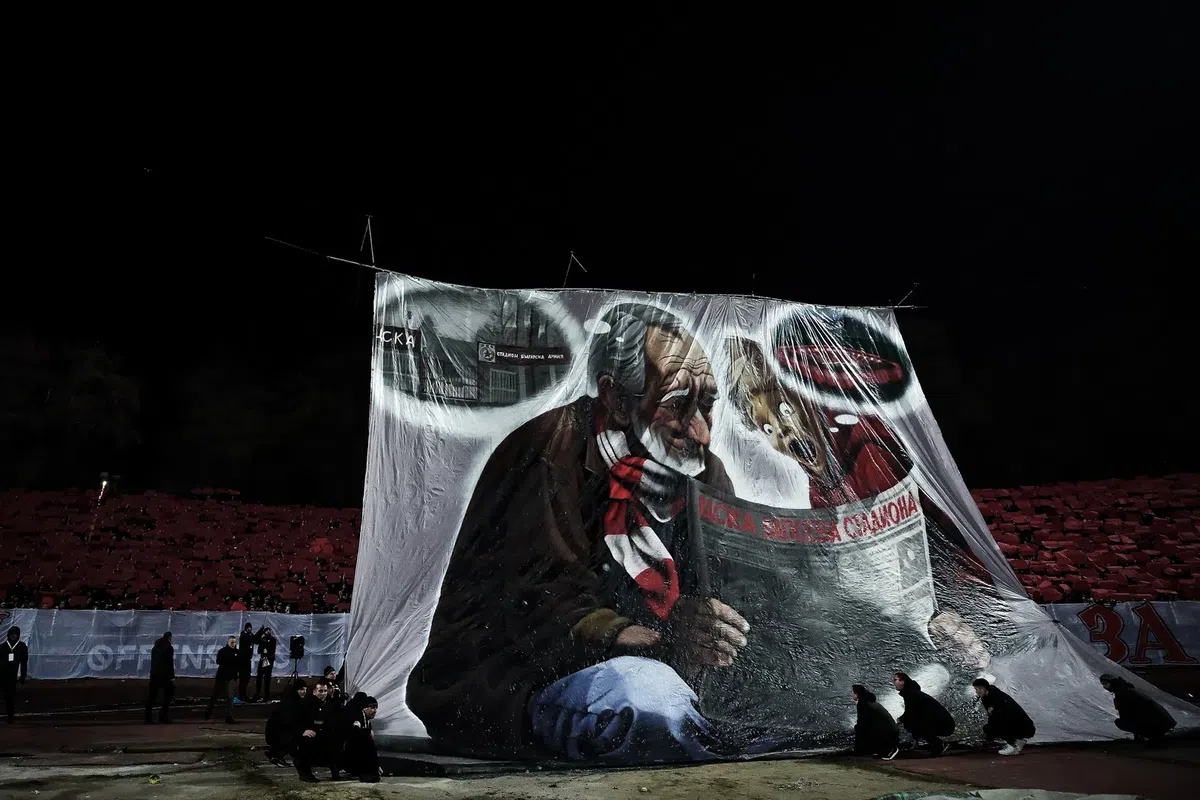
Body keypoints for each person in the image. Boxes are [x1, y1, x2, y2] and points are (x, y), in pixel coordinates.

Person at [408, 303, 750, 762]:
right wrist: (668, 635)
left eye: (706, 404)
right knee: (648, 698)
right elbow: (540, 608)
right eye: (675, 404)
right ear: (616, 399)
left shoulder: (703, 473)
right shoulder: (552, 449)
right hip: (511, 682)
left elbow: (731, 589)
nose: (702, 433)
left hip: (655, 659)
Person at [1100, 674, 1176, 744]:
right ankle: (1149, 734)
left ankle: (1151, 735)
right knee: (1128, 720)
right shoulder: (1125, 689)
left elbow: (1127, 713)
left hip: (1158, 721)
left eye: (1106, 684)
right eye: (1103, 684)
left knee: (1120, 722)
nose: (1104, 687)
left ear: (1112, 682)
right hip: (1162, 720)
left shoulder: (1122, 693)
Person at [894, 672, 955, 756]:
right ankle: (921, 743)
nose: (894, 682)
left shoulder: (912, 695)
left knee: (911, 724)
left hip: (945, 725)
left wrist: (900, 720)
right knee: (911, 723)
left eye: (895, 680)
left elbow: (910, 713)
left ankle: (939, 744)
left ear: (902, 682)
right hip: (942, 723)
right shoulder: (911, 693)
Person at [973, 678, 1035, 755]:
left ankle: (1013, 745)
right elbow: (991, 716)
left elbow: (1002, 717)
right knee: (989, 728)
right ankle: (1017, 742)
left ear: (982, 689)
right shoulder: (986, 698)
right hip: (1015, 723)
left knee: (996, 723)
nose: (976, 692)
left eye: (976, 689)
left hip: (1025, 727)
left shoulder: (998, 697)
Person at [293, 678, 338, 781]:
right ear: (314, 692)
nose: (323, 694)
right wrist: (303, 731)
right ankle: (304, 771)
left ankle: (334, 769)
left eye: (325, 691)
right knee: (308, 741)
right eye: (320, 691)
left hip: (322, 733)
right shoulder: (305, 704)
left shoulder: (328, 703)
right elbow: (294, 721)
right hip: (307, 734)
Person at [341, 692, 381, 783]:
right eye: (372, 708)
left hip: (354, 751)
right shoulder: (356, 716)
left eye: (376, 708)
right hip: (349, 751)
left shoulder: (366, 721)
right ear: (365, 708)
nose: (375, 711)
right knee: (367, 740)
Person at [852, 684, 900, 760]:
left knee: (862, 729)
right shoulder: (867, 701)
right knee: (864, 728)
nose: (851, 695)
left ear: (857, 694)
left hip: (890, 731)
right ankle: (880, 749)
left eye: (852, 692)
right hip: (889, 729)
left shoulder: (863, 703)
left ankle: (892, 748)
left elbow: (863, 721)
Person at [266, 679, 308, 765]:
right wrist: (301, 731)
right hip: (279, 732)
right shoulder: (289, 703)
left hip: (285, 730)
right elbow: (287, 722)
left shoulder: (298, 701)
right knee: (294, 736)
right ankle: (276, 754)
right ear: (296, 690)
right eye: (301, 689)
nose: (304, 692)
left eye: (305, 689)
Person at [204, 635, 240, 723]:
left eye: (235, 642)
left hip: (231, 678)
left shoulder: (237, 652)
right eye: (232, 642)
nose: (233, 644)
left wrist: (236, 675)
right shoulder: (222, 651)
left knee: (230, 697)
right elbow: (218, 661)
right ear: (228, 642)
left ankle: (229, 716)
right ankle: (208, 712)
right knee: (215, 695)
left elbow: (238, 664)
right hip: (221, 677)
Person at [145, 632, 175, 724]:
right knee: (168, 695)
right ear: (169, 638)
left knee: (152, 696)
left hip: (154, 674)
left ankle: (148, 718)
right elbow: (169, 663)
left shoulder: (155, 647)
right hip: (164, 675)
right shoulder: (169, 648)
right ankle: (163, 715)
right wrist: (172, 675)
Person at [1, 626, 29, 724]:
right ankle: (9, 713)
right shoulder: (3, 646)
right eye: (11, 634)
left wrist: (23, 676)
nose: (13, 636)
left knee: (11, 695)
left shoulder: (22, 646)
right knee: (6, 696)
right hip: (4, 674)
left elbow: (24, 662)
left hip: (15, 675)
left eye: (15, 634)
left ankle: (10, 715)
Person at [254, 626, 277, 702]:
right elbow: (256, 642)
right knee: (259, 676)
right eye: (266, 631)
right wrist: (260, 631)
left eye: (268, 631)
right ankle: (258, 694)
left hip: (268, 659)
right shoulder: (262, 638)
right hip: (263, 658)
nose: (267, 632)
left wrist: (264, 643)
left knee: (267, 677)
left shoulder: (272, 639)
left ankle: (266, 695)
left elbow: (270, 649)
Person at [237, 623, 256, 702]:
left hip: (248, 660)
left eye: (250, 627)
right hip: (242, 661)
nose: (249, 629)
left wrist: (261, 631)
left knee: (247, 677)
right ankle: (241, 695)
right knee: (242, 678)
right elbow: (248, 639)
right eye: (248, 627)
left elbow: (255, 639)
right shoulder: (243, 634)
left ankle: (244, 694)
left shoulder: (251, 635)